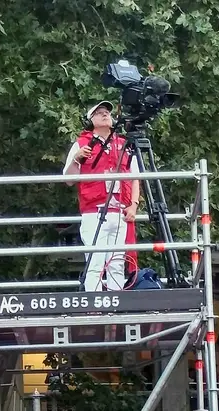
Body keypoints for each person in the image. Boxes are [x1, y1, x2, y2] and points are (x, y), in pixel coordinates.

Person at [63, 101, 140, 292]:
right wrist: (77, 158)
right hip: (93, 212)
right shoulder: (81, 144)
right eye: (99, 113)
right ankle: (95, 309)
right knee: (95, 263)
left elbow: (136, 178)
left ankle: (116, 307)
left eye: (107, 112)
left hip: (120, 212)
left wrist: (134, 205)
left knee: (117, 263)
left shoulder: (123, 144)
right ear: (91, 120)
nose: (105, 114)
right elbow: (68, 179)